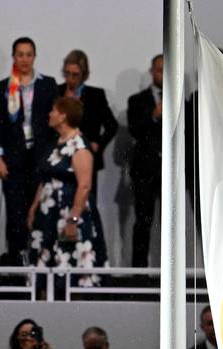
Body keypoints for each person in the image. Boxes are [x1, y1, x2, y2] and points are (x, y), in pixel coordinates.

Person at [0, 37, 59, 262]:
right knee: (15, 214)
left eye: (29, 54)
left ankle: (40, 260)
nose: (24, 59)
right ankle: (16, 261)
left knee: (39, 211)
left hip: (40, 157)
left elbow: (55, 124)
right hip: (14, 160)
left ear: (34, 57)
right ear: (14, 57)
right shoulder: (4, 86)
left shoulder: (48, 84)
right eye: (20, 54)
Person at [26, 95, 107, 276]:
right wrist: (34, 207)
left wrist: (73, 220)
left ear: (63, 116)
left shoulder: (79, 145)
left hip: (68, 213)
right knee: (45, 262)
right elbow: (47, 178)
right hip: (48, 214)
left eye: (53, 111)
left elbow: (85, 185)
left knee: (70, 262)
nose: (49, 114)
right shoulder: (56, 142)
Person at [59, 50, 119, 198]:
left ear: (84, 74)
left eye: (75, 75)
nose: (70, 79)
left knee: (86, 202)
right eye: (67, 74)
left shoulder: (95, 95)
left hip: (86, 157)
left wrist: (98, 143)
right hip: (60, 156)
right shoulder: (56, 91)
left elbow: (112, 125)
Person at [127, 55, 162, 267]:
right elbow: (134, 130)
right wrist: (153, 116)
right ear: (151, 71)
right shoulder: (137, 100)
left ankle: (170, 272)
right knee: (143, 222)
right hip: (145, 172)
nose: (162, 74)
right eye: (159, 69)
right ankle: (138, 273)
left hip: (170, 172)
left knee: (171, 225)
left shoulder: (181, 101)